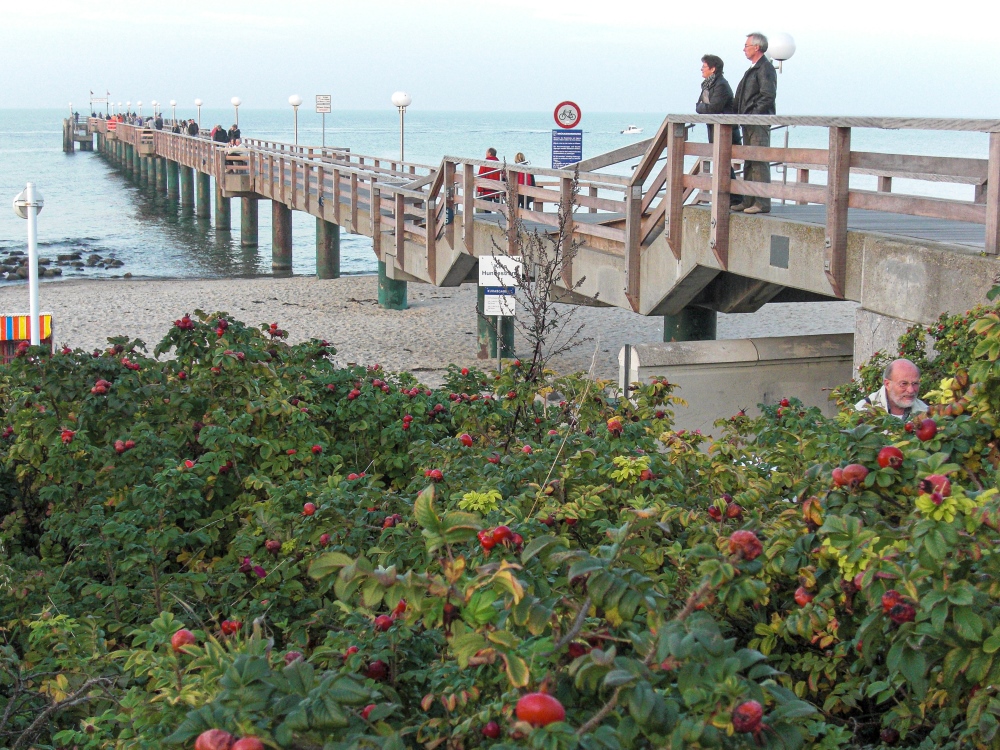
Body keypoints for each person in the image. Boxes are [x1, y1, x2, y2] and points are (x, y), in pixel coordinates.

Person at [733, 32, 777, 214]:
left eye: (746, 45)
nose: (744, 49)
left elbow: (768, 95)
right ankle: (748, 200)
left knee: (759, 161)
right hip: (748, 122)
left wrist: (753, 115)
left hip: (757, 122)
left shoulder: (765, 68)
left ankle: (762, 202)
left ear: (757, 47)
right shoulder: (753, 69)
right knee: (749, 161)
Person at [696, 54, 741, 207]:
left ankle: (735, 198)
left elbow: (713, 108)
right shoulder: (707, 85)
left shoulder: (721, 85)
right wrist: (703, 107)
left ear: (713, 69)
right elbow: (698, 106)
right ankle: (731, 197)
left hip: (726, 131)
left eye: (704, 66)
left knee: (724, 164)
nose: (701, 69)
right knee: (721, 163)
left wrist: (703, 107)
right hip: (714, 129)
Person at [855, 359, 928, 420]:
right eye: (904, 384)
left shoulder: (926, 413)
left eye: (915, 383)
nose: (911, 390)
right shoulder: (861, 413)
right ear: (887, 384)